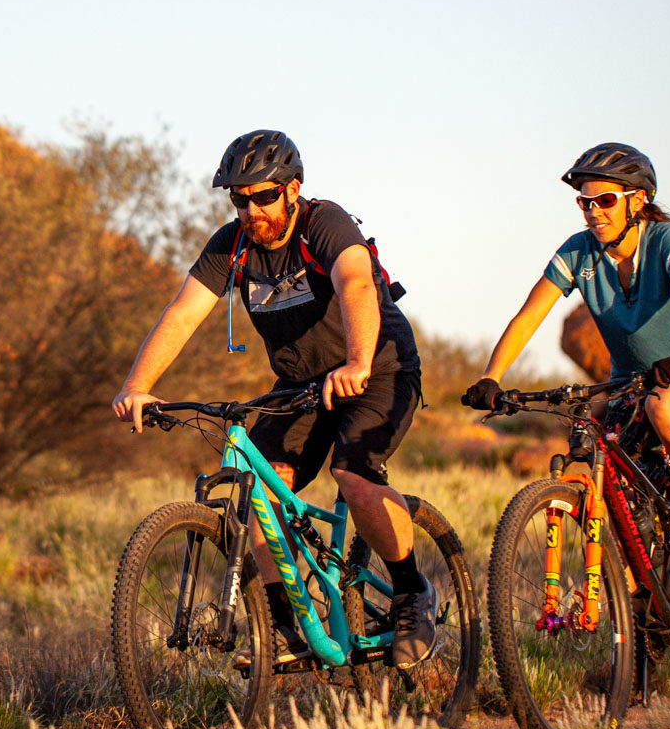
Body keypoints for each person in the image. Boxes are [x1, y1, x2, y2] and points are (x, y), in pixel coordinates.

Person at [112, 130, 435, 667]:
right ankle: (284, 625)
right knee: (257, 490)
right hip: (302, 385)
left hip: (378, 367)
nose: (251, 210)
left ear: (292, 190)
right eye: (240, 199)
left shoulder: (323, 223)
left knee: (353, 473)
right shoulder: (231, 245)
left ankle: (412, 592)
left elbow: (355, 284)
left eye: (263, 196)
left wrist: (357, 363)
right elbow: (183, 312)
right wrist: (135, 386)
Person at [462, 143, 670, 575]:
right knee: (622, 499)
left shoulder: (665, 238)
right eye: (584, 202)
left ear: (637, 200)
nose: (593, 212)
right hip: (633, 382)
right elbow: (529, 315)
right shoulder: (579, 251)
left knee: (664, 409)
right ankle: (646, 615)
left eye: (605, 200)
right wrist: (491, 376)